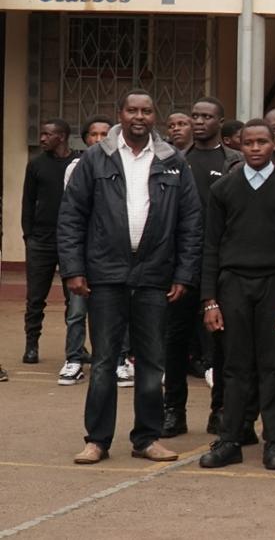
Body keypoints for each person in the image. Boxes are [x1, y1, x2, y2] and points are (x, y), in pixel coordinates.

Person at [61, 90, 203, 465]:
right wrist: (73, 269)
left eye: (146, 110)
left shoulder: (173, 161)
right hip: (105, 274)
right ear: (119, 114)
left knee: (152, 361)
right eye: (131, 110)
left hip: (155, 275)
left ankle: (147, 438)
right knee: (105, 360)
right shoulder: (94, 158)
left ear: (154, 116)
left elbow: (190, 222)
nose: (139, 116)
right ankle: (97, 440)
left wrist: (184, 273)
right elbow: (72, 216)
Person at [198, 119, 275, 470]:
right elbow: (211, 246)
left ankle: (274, 442)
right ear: (239, 146)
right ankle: (230, 438)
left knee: (273, 365)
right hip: (233, 285)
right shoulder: (224, 189)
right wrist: (210, 299)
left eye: (263, 142)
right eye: (250, 143)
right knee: (235, 365)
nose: (256, 148)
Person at [176, 96, 239, 438]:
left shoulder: (236, 162)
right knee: (176, 341)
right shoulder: (173, 159)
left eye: (207, 116)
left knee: (222, 343)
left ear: (221, 121)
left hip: (220, 262)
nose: (199, 122)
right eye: (194, 115)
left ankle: (221, 410)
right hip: (182, 262)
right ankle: (174, 411)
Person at [23, 119, 83, 382]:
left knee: (75, 300)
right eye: (43, 133)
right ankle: (31, 345)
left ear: (62, 137)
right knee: (36, 297)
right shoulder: (36, 164)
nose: (43, 138)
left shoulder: (79, 163)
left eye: (48, 134)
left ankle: (76, 349)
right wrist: (28, 236)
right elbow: (28, 201)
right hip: (41, 241)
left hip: (70, 241)